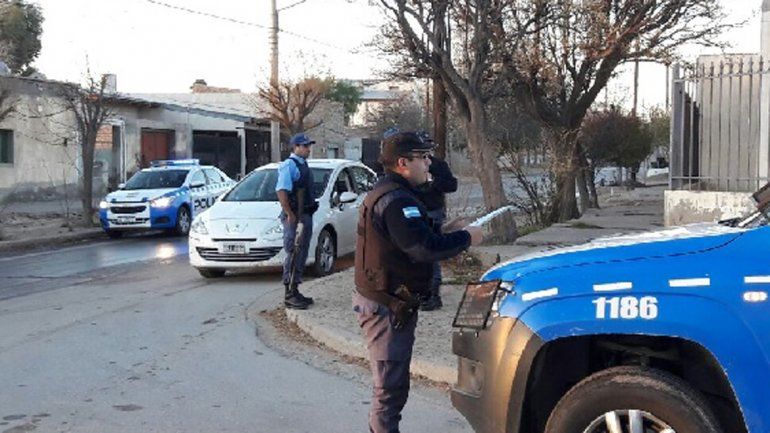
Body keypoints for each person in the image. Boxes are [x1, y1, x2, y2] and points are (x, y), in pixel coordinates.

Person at [353, 131, 483, 433]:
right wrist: (466, 238)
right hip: (385, 307)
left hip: (388, 303)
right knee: (389, 389)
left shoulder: (393, 193)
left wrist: (447, 230)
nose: (429, 163)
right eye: (422, 157)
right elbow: (422, 249)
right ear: (402, 163)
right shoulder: (397, 200)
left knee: (391, 386)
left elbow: (411, 238)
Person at [414, 130, 458, 311]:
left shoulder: (438, 165)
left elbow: (452, 185)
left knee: (431, 253)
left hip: (433, 212)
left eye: (427, 150)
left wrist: (434, 182)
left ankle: (433, 294)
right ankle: (418, 292)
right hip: (415, 212)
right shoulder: (412, 166)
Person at [276, 133, 319, 310]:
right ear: (296, 147)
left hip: (305, 214)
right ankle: (289, 293)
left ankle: (295, 288)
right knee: (293, 252)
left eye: (308, 145)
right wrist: (289, 213)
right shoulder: (289, 165)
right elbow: (282, 190)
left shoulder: (303, 164)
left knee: (301, 253)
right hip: (295, 216)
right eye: (305, 146)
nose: (308, 149)